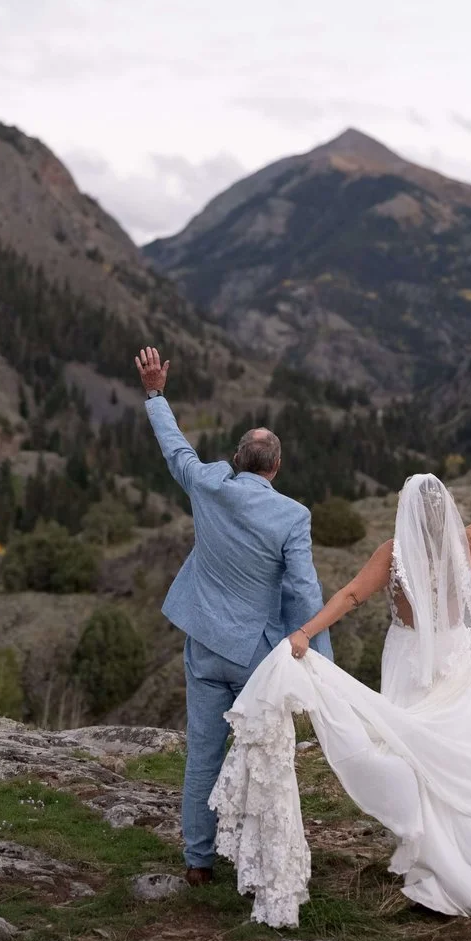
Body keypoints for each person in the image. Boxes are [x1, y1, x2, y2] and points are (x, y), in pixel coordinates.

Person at [208, 436, 471, 927]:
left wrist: (304, 633)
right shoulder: (467, 544)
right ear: (443, 510)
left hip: (407, 662)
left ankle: (431, 850)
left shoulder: (394, 554)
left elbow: (351, 596)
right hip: (452, 668)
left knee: (410, 754)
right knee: (465, 755)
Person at [134, 346, 330, 888]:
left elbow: (175, 449)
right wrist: (318, 658)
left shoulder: (208, 486)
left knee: (203, 753)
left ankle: (198, 862)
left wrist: (155, 394)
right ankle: (257, 858)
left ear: (238, 460)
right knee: (262, 757)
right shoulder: (292, 516)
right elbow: (303, 589)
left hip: (203, 646)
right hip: (256, 659)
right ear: (276, 468)